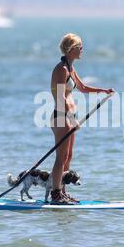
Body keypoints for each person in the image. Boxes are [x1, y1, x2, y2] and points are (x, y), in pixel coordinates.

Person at [50, 33, 114, 204]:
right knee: (60, 157)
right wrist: (72, 117)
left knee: (68, 156)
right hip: (61, 117)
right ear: (71, 50)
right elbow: (59, 97)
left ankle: (62, 191)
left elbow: (83, 87)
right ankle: (55, 194)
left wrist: (103, 91)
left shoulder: (71, 68)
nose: (82, 49)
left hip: (70, 118)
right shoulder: (61, 69)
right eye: (79, 46)